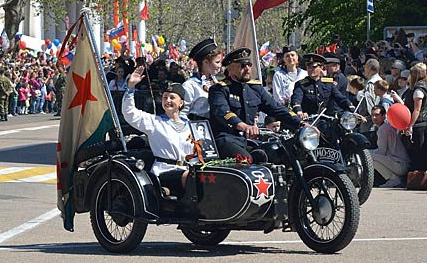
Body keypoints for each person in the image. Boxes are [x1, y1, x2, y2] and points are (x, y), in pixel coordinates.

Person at [209, 48, 303, 158]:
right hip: (227, 139)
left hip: (249, 141)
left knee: (280, 154)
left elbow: (276, 108)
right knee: (246, 160)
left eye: (249, 65)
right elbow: (223, 112)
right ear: (230, 68)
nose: (248, 69)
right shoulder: (219, 89)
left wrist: (300, 123)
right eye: (242, 65)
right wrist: (245, 127)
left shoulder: (255, 88)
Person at [122, 65, 194, 197]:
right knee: (191, 177)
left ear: (181, 103)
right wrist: (131, 87)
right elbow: (130, 113)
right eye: (165, 97)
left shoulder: (191, 126)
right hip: (164, 171)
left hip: (187, 169)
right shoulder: (154, 122)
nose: (167, 101)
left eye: (172, 97)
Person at [290, 53, 353, 118]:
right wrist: (299, 111)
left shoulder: (328, 83)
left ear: (321, 67)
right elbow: (296, 99)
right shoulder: (301, 84)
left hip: (327, 119)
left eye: (314, 67)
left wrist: (352, 110)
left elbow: (341, 98)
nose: (311, 69)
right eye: (309, 67)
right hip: (309, 120)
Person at [369, 105, 410, 187]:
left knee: (369, 157)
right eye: (372, 115)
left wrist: (366, 152)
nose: (374, 117)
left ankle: (394, 180)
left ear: (384, 116)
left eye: (377, 115)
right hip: (400, 163)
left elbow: (381, 151)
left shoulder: (383, 129)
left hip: (400, 164)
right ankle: (395, 179)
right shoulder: (386, 127)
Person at [181, 38, 222, 120]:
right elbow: (182, 113)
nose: (219, 66)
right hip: (197, 127)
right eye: (217, 62)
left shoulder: (215, 81)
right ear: (206, 62)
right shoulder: (190, 85)